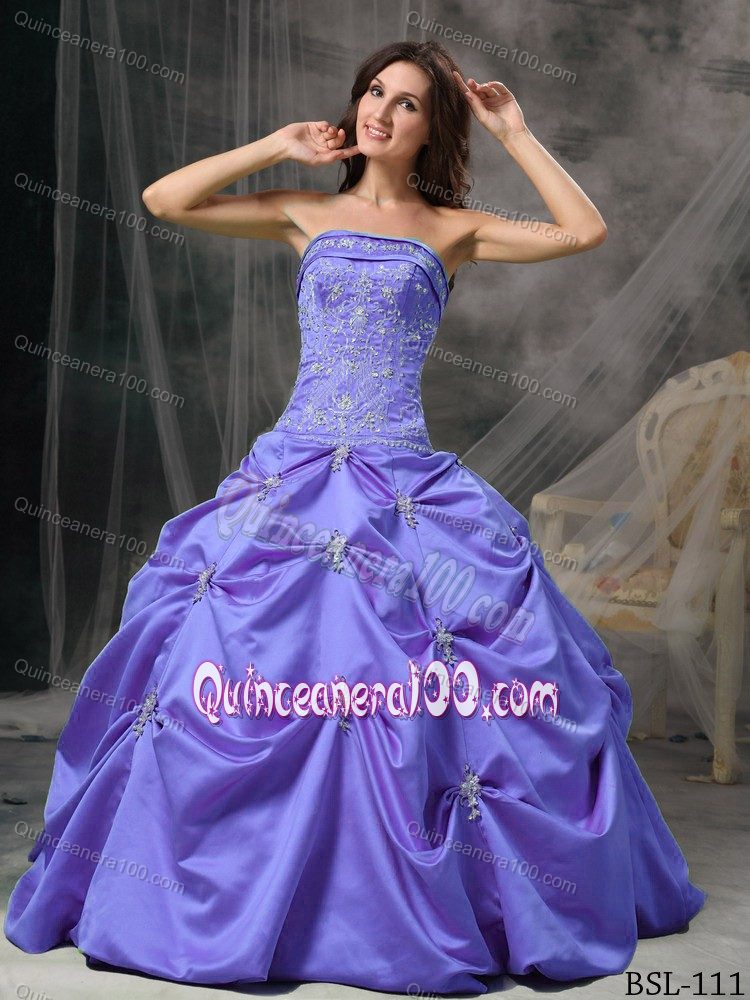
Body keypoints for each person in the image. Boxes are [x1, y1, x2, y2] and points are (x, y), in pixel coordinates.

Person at [4, 39, 705, 995]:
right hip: (293, 475)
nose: (380, 110)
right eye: (374, 92)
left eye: (407, 102)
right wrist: (275, 145)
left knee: (433, 679)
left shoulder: (453, 229)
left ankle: (397, 898)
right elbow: (165, 200)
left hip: (404, 478)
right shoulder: (304, 210)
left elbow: (583, 231)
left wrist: (514, 130)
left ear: (432, 126)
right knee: (228, 660)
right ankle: (240, 888)